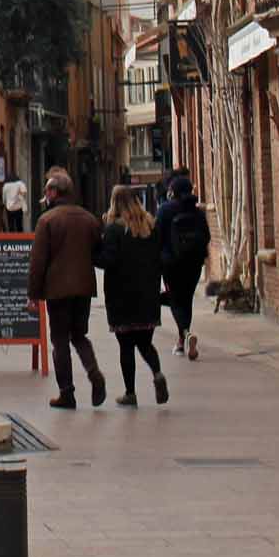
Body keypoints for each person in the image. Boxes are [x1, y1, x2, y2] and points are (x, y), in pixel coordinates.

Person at [26, 167, 105, 408]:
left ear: (54, 192)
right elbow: (98, 253)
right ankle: (94, 374)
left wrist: (33, 294)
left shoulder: (47, 220)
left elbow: (38, 261)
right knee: (79, 336)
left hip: (57, 290)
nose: (45, 194)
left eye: (47, 190)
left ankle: (67, 392)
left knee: (60, 340)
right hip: (83, 288)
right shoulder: (89, 219)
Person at [97, 184, 168, 406]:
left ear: (114, 203)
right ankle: (157, 373)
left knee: (126, 346)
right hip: (147, 295)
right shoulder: (151, 226)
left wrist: (92, 254)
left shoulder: (114, 230)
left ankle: (130, 392)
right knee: (145, 343)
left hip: (121, 298)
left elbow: (108, 260)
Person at [155, 174, 209, 359]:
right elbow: (207, 237)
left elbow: (157, 237)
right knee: (186, 300)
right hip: (194, 264)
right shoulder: (198, 212)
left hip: (171, 264)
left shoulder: (164, 210)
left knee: (176, 301)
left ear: (174, 192)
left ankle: (185, 334)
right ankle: (181, 341)